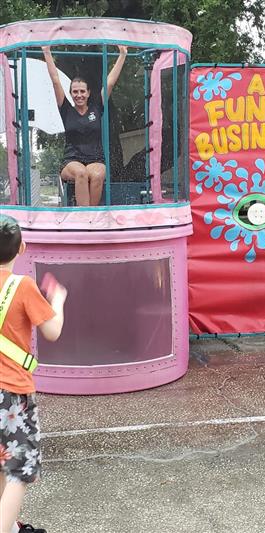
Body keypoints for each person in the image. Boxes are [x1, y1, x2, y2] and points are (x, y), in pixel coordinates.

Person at [0, 215, 67, 533]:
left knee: (2, 463)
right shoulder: (22, 286)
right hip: (12, 394)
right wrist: (59, 301)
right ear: (22, 248)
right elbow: (53, 331)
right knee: (19, 469)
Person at [42, 45, 127, 207]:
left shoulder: (97, 107)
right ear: (71, 94)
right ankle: (84, 215)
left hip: (96, 159)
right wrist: (46, 51)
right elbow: (55, 81)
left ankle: (92, 217)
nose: (79, 95)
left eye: (82, 91)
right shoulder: (66, 109)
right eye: (75, 92)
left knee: (95, 174)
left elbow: (109, 83)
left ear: (88, 93)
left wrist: (122, 54)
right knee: (81, 172)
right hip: (72, 161)